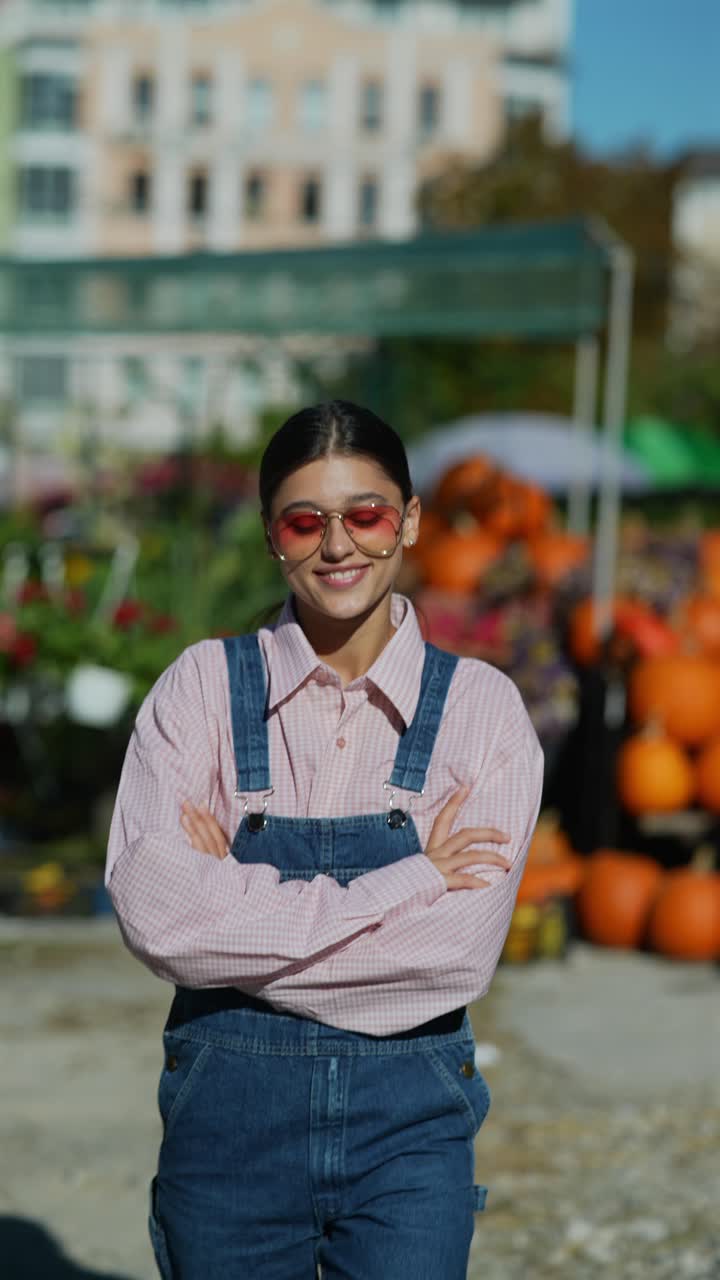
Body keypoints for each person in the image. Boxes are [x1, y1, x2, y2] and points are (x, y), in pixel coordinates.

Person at [105, 400, 544, 1280]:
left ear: (411, 520)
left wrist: (229, 911)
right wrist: (408, 879)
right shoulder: (198, 690)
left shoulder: (480, 711)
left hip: (406, 1136)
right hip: (228, 1134)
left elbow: (452, 960)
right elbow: (157, 916)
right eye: (305, 521)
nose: (337, 546)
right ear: (275, 536)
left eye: (367, 515)